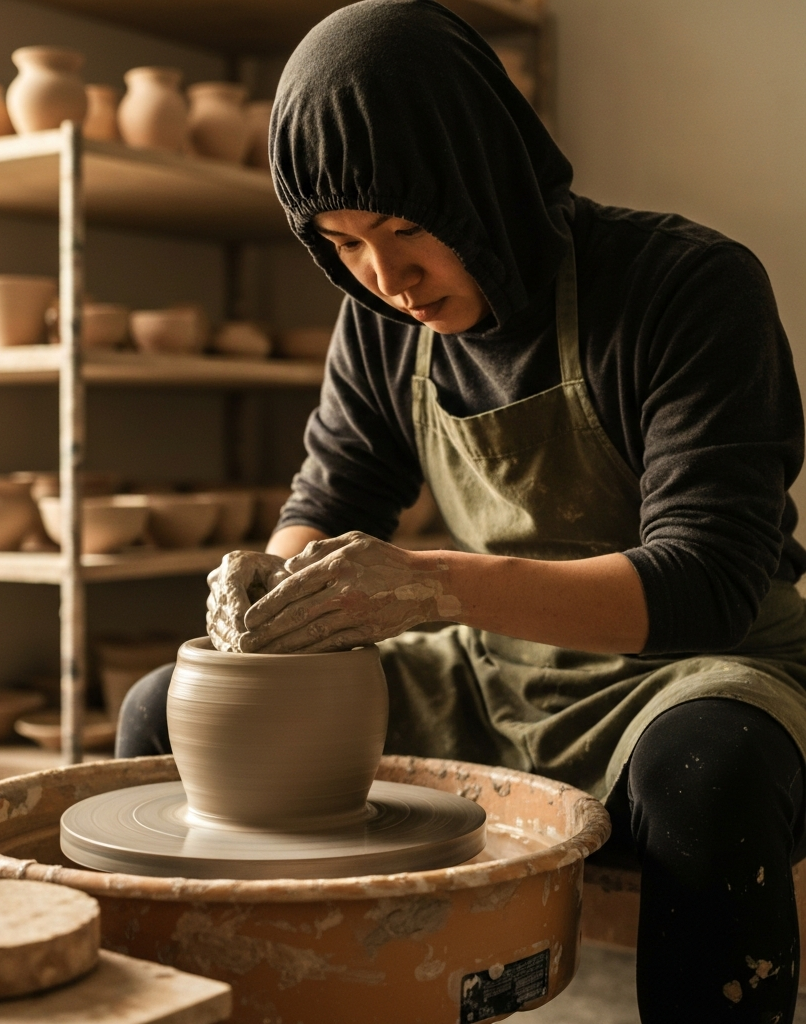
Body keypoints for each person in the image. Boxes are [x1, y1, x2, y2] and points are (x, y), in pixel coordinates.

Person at [117, 1, 806, 1019]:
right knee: (155, 712)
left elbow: (702, 581)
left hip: (694, 671)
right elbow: (333, 493)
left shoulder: (685, 286)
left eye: (405, 230)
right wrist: (275, 583)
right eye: (343, 244)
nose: (387, 279)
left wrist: (429, 583)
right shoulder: (383, 322)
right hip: (492, 677)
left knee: (704, 775)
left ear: (481, 178)